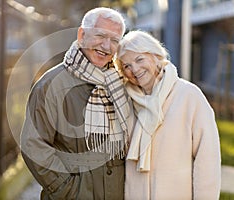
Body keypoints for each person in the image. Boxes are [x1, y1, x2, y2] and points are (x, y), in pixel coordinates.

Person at [21, 7, 132, 199]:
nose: (107, 46)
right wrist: (68, 189)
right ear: (82, 35)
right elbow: (34, 146)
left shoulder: (122, 83)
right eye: (100, 35)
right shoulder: (51, 85)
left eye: (114, 40)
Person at [115, 30, 221, 200]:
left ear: (156, 56)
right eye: (126, 66)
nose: (134, 69)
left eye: (139, 59)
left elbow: (207, 160)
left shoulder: (189, 95)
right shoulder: (125, 102)